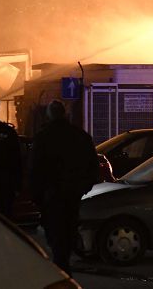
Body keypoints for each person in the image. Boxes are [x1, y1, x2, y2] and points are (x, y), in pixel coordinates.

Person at [31, 100, 100, 274]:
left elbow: (34, 168)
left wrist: (37, 196)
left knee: (54, 233)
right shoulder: (80, 136)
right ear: (64, 114)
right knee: (69, 229)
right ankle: (64, 264)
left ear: (49, 115)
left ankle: (60, 266)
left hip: (52, 195)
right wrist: (84, 187)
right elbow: (93, 165)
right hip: (73, 194)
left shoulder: (43, 137)